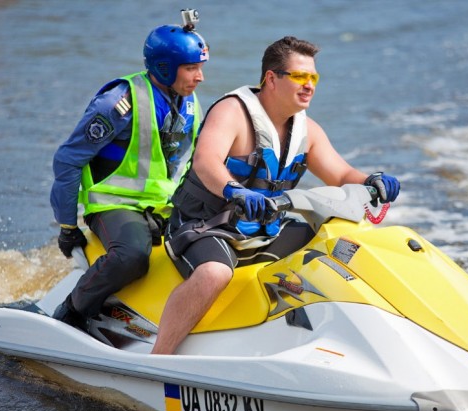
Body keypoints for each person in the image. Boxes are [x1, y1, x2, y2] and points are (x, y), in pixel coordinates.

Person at [152, 36, 399, 355]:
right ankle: (160, 356)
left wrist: (372, 179)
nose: (309, 85)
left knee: (340, 244)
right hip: (206, 225)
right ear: (271, 78)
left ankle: (345, 341)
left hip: (265, 230)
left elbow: (340, 175)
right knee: (215, 272)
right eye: (299, 76)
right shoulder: (232, 112)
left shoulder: (308, 131)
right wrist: (235, 190)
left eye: (313, 78)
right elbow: (206, 161)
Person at [49, 19, 209, 330]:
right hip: (114, 205)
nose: (200, 77)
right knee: (132, 257)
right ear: (164, 67)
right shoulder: (118, 102)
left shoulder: (189, 101)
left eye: (200, 67)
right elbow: (67, 160)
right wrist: (67, 226)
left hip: (163, 205)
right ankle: (71, 312)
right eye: (191, 68)